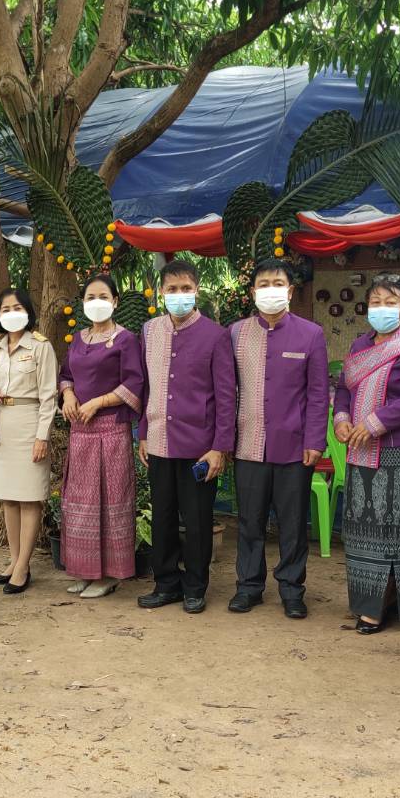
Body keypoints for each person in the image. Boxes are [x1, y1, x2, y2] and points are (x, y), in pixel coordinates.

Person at [333, 273, 400, 633]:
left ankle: (386, 604)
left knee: (395, 531)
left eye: (390, 302)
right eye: (375, 301)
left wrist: (377, 421)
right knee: (364, 528)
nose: (381, 308)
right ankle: (373, 599)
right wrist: (343, 419)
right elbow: (345, 387)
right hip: (361, 451)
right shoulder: (360, 345)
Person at [227, 259, 329, 619]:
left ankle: (291, 588)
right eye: (263, 283)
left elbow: (319, 394)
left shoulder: (310, 334)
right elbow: (227, 391)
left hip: (293, 446)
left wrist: (315, 441)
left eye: (278, 282)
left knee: (292, 523)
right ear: (253, 291)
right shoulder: (236, 333)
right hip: (248, 443)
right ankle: (249, 586)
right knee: (249, 521)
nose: (270, 288)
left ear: (289, 290)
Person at [135, 260, 236, 615]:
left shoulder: (215, 334)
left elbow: (226, 396)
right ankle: (165, 584)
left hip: (199, 446)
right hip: (159, 439)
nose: (179, 295)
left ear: (196, 291)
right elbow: (145, 386)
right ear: (161, 292)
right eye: (172, 289)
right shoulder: (148, 331)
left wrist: (219, 447)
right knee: (161, 516)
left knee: (197, 520)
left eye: (186, 289)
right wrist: (143, 433)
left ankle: (195, 587)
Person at [58, 274, 147, 599]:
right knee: (80, 502)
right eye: (90, 297)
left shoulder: (126, 340)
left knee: (110, 501)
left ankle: (109, 575)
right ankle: (84, 569)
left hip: (110, 431)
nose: (96, 302)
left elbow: (134, 384)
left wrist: (98, 401)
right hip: (80, 432)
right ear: (83, 303)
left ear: (115, 302)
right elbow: (66, 375)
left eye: (102, 296)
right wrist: (68, 397)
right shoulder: (77, 339)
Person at [0, 287, 59, 594]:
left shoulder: (40, 347)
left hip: (28, 422)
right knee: (8, 496)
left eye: (17, 307)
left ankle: (23, 566)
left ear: (27, 311)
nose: (11, 313)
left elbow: (49, 395)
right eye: (5, 309)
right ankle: (13, 561)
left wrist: (42, 437)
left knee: (29, 496)